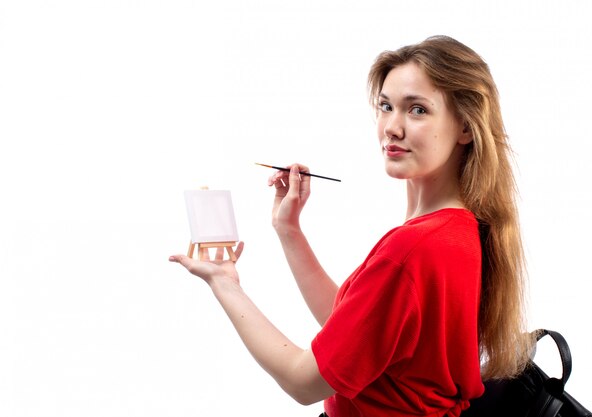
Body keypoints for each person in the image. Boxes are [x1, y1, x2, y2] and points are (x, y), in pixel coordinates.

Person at [169, 35, 533, 417]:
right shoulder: (458, 232)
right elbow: (356, 332)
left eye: (418, 110)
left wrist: (224, 283)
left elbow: (302, 381)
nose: (391, 127)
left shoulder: (413, 249)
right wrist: (289, 230)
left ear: (465, 127)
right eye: (386, 106)